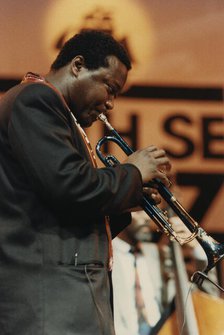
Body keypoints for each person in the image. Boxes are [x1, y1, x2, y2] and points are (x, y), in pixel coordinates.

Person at [0, 30, 171, 335]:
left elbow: (71, 211)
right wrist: (131, 172)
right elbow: (69, 186)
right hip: (49, 303)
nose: (111, 104)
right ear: (78, 66)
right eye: (109, 87)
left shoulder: (60, 114)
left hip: (65, 301)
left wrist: (131, 193)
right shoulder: (36, 99)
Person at [112, 210, 220, 335]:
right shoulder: (103, 257)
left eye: (147, 211)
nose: (147, 217)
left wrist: (198, 249)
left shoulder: (160, 254)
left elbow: (206, 295)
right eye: (138, 211)